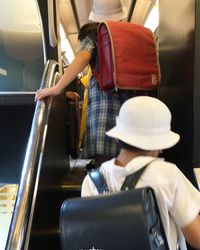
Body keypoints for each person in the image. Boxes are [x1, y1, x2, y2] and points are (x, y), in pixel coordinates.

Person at [81, 96, 200, 250]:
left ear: (118, 138)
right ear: (161, 143)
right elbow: (196, 237)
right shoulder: (166, 174)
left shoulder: (91, 180)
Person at [35, 0, 136, 167]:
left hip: (104, 101)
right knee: (123, 152)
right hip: (129, 101)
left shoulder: (94, 33)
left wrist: (56, 88)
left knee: (103, 155)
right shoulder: (128, 36)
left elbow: (82, 58)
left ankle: (103, 190)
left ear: (95, 16)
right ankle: (123, 190)